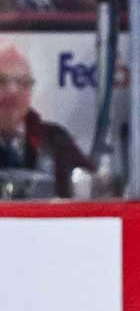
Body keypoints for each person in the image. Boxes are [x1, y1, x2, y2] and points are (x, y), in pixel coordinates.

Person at [0, 43, 93, 198]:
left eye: (22, 83)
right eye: (2, 81)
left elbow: (87, 192)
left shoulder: (55, 140)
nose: (12, 92)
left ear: (30, 90)